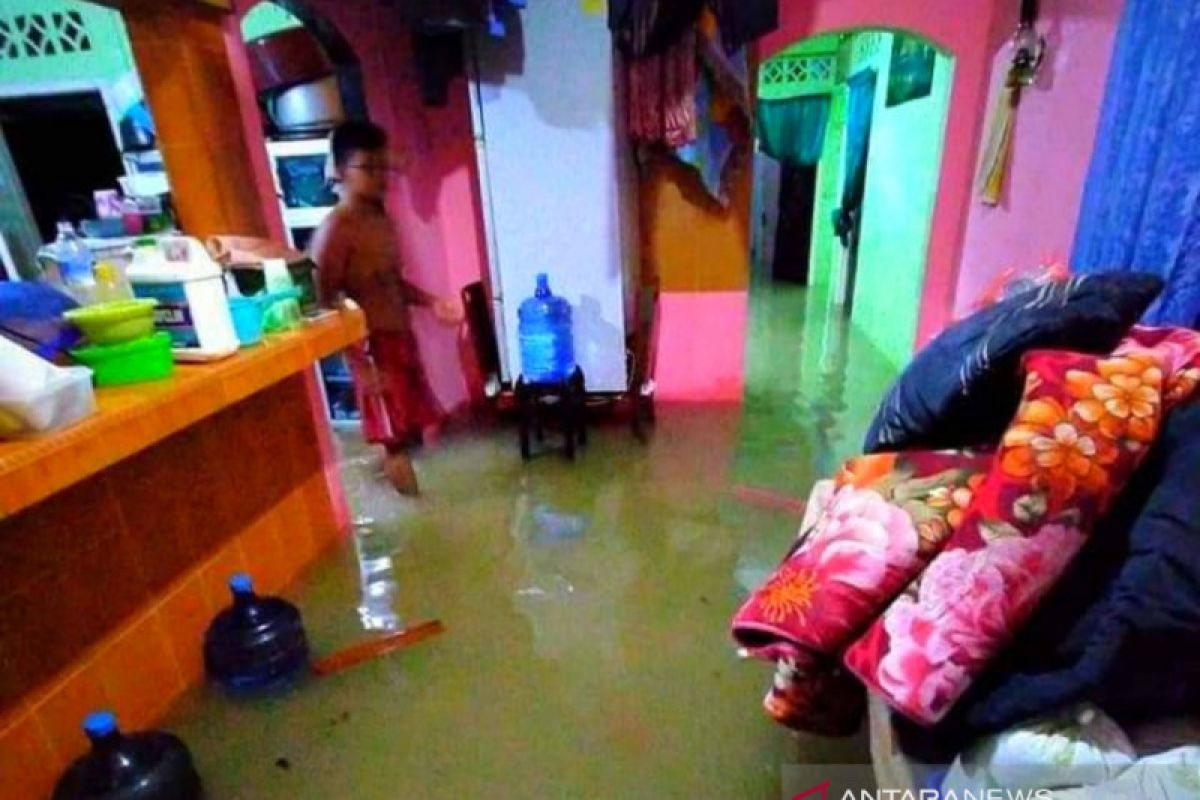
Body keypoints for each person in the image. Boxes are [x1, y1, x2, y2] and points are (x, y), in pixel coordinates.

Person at [310, 121, 462, 496]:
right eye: (368, 168)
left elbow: (390, 282)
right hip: (371, 348)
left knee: (410, 432)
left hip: (401, 340)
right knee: (394, 441)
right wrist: (360, 366)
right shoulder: (335, 230)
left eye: (383, 167)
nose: (380, 177)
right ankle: (423, 524)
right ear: (343, 171)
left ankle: (390, 491)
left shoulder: (381, 220)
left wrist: (432, 302)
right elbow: (324, 302)